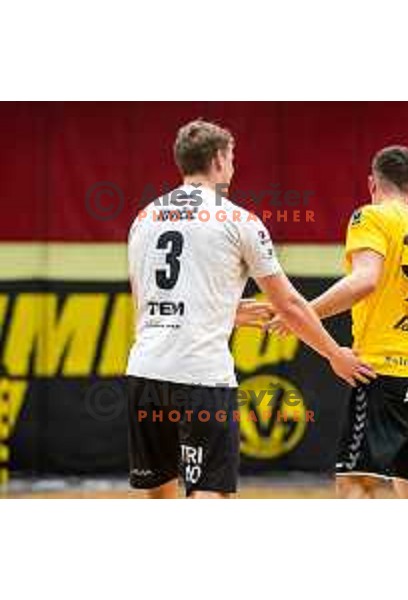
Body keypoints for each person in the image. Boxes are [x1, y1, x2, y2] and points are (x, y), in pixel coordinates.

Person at [126, 118, 375, 499]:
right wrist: (333, 354)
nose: (234, 165)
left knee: (160, 493)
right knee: (210, 492)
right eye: (232, 157)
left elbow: (148, 302)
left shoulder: (144, 217)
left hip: (145, 371)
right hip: (201, 376)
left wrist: (225, 311)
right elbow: (289, 304)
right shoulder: (239, 221)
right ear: (220, 160)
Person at [269, 146, 408, 499]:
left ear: (372, 183)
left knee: (355, 483)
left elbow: (365, 280)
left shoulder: (371, 217)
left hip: (382, 376)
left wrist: (303, 313)